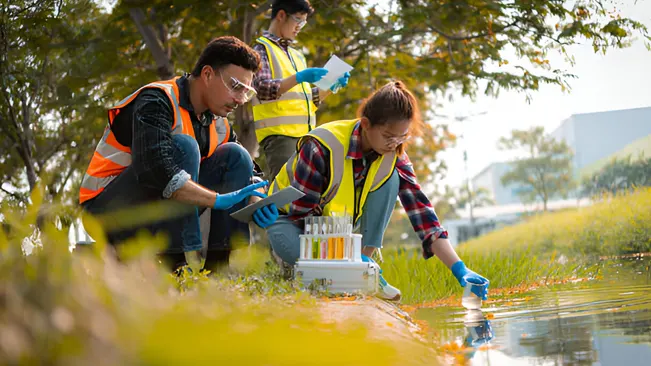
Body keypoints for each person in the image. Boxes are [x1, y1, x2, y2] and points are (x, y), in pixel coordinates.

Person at [265, 81, 490, 301]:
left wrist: (460, 269)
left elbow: (423, 215)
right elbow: (302, 216)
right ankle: (356, 272)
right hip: (290, 224)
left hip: (339, 233)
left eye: (402, 137)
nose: (394, 144)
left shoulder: (394, 157)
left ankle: (363, 268)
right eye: (388, 136)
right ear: (365, 124)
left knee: (393, 179)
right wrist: (349, 259)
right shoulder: (321, 145)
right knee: (314, 264)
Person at [79, 36, 279, 273]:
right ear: (207, 74)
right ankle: (175, 268)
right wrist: (216, 199)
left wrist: (256, 197)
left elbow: (251, 168)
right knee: (184, 146)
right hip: (108, 212)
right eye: (235, 87)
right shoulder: (156, 100)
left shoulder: (218, 122)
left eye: (245, 92)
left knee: (236, 155)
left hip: (157, 208)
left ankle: (219, 271)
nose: (239, 100)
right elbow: (154, 168)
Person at [251, 0, 351, 181]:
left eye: (303, 23)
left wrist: (331, 85)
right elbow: (262, 89)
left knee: (308, 193)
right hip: (280, 138)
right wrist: (299, 77)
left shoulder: (297, 55)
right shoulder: (261, 49)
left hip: (306, 137)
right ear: (281, 15)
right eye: (298, 20)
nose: (299, 27)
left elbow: (309, 101)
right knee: (285, 193)